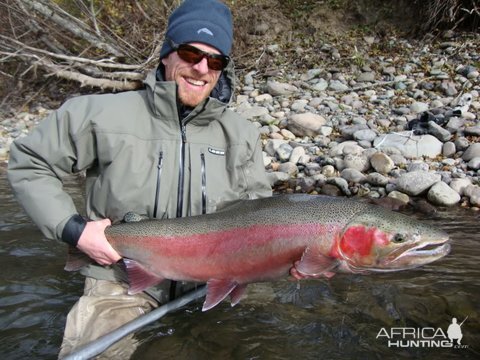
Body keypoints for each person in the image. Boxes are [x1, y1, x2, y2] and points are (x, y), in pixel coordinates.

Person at [7, 0, 272, 357]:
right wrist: (74, 229)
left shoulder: (242, 135)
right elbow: (30, 161)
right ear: (166, 55)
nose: (201, 68)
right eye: (191, 53)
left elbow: (261, 216)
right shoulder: (100, 114)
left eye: (215, 60)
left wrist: (289, 259)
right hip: (120, 280)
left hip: (218, 283)